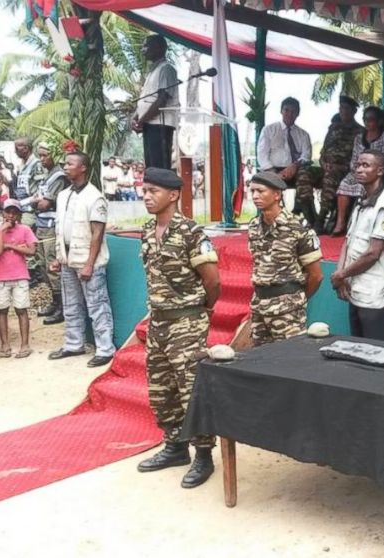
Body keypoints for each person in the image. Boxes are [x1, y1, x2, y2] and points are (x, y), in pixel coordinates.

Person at [135, 167, 221, 488]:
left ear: (173, 195)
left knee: (191, 392)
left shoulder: (191, 233)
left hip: (186, 321)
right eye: (144, 190)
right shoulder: (146, 231)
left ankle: (202, 455)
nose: (146, 196)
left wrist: (202, 311)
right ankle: (174, 447)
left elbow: (213, 281)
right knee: (162, 391)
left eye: (153, 191)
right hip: (158, 322)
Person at [48, 151, 116, 367]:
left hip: (89, 262)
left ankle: (105, 348)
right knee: (71, 305)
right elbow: (61, 229)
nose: (65, 166)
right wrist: (60, 257)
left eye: (70, 163)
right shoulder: (63, 195)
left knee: (97, 305)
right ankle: (73, 344)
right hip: (68, 260)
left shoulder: (95, 197)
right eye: (65, 163)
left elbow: (97, 233)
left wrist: (89, 263)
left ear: (83, 168)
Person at [247, 171, 324, 346]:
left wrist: (296, 300)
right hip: (260, 305)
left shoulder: (297, 227)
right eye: (252, 191)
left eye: (260, 191)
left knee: (289, 360)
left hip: (288, 309)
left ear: (276, 195)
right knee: (260, 360)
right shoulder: (253, 227)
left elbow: (316, 275)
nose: (255, 196)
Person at [331, 150, 384, 341]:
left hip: (374, 293)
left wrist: (341, 274)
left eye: (366, 165)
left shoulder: (383, 204)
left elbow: (373, 253)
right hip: (356, 288)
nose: (359, 169)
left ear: (379, 171)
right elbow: (348, 240)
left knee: (376, 350)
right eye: (358, 164)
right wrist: (341, 275)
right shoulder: (362, 201)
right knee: (358, 347)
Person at [334, 106, 384, 237]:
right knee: (344, 184)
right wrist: (359, 168)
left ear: (379, 121)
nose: (367, 122)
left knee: (363, 186)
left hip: (378, 174)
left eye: (371, 119)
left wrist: (375, 170)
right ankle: (340, 222)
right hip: (358, 172)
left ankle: (362, 225)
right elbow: (353, 159)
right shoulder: (358, 137)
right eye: (365, 119)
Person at [0, 199, 36, 359]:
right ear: (2, 213)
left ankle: (25, 344)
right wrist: (2, 231)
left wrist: (12, 246)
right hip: (1, 277)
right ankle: (5, 344)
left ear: (19, 215)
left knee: (21, 309)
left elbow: (31, 251)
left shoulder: (25, 229)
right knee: (1, 310)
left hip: (20, 275)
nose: (10, 215)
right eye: (8, 211)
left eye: (14, 212)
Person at [257, 97, 315, 224]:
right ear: (281, 111)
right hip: (273, 169)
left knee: (305, 176)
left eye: (293, 111)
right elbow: (262, 155)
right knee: (269, 181)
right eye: (286, 110)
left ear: (298, 113)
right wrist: (273, 172)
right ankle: (273, 219)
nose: (290, 114)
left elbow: (307, 155)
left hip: (296, 169)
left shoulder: (303, 134)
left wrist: (294, 167)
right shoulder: (269, 130)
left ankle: (308, 217)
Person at [131, 35, 179, 170]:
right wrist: (136, 117)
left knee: (159, 167)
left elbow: (162, 100)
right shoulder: (153, 71)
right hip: (149, 124)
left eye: (146, 46)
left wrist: (142, 120)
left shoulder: (166, 69)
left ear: (159, 48)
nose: (143, 50)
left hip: (160, 125)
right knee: (151, 167)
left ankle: (161, 191)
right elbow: (146, 98)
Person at [317, 96, 364, 234]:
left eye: (346, 109)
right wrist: (323, 164)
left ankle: (321, 218)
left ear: (354, 111)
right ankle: (310, 216)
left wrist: (339, 167)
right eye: (341, 108)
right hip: (326, 168)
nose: (343, 111)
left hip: (345, 171)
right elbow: (323, 152)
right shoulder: (333, 129)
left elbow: (358, 158)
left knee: (330, 177)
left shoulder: (360, 132)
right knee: (304, 174)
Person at [32, 145, 67, 325]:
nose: (42, 159)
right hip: (41, 224)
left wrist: (35, 202)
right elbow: (37, 200)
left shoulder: (58, 176)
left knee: (53, 266)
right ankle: (54, 302)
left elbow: (45, 204)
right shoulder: (47, 176)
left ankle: (61, 307)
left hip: (52, 226)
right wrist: (36, 202)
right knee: (43, 265)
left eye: (45, 155)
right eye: (40, 156)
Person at [12, 137, 41, 226]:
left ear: (26, 148)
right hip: (22, 208)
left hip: (31, 210)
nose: (15, 151)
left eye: (17, 148)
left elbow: (40, 189)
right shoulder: (21, 166)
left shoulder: (37, 164)